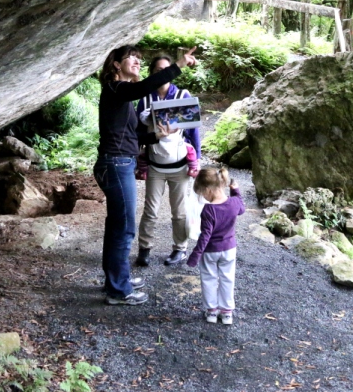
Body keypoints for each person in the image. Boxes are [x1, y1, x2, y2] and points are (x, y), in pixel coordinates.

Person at [95, 44, 197, 306]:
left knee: (117, 226)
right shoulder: (116, 89)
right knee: (125, 228)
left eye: (140, 59)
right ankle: (119, 290)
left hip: (120, 163)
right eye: (133, 58)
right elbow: (142, 88)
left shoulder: (121, 96)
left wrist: (156, 135)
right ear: (116, 64)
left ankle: (116, 280)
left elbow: (132, 135)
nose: (138, 62)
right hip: (116, 164)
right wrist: (178, 66)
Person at [135, 55, 202, 267]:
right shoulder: (144, 99)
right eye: (157, 70)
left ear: (172, 71)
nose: (162, 73)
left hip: (180, 166)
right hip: (155, 165)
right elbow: (137, 132)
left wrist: (197, 159)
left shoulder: (183, 95)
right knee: (150, 211)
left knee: (179, 212)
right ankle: (144, 248)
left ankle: (179, 249)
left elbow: (193, 131)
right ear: (152, 73)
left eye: (166, 69)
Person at [187, 166, 245, 324]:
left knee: (209, 279)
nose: (203, 197)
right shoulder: (234, 202)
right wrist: (236, 191)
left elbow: (205, 235)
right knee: (227, 278)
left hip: (210, 251)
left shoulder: (209, 210)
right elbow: (241, 209)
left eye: (202, 193)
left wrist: (195, 254)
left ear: (208, 190)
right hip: (229, 249)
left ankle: (212, 312)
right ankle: (227, 313)